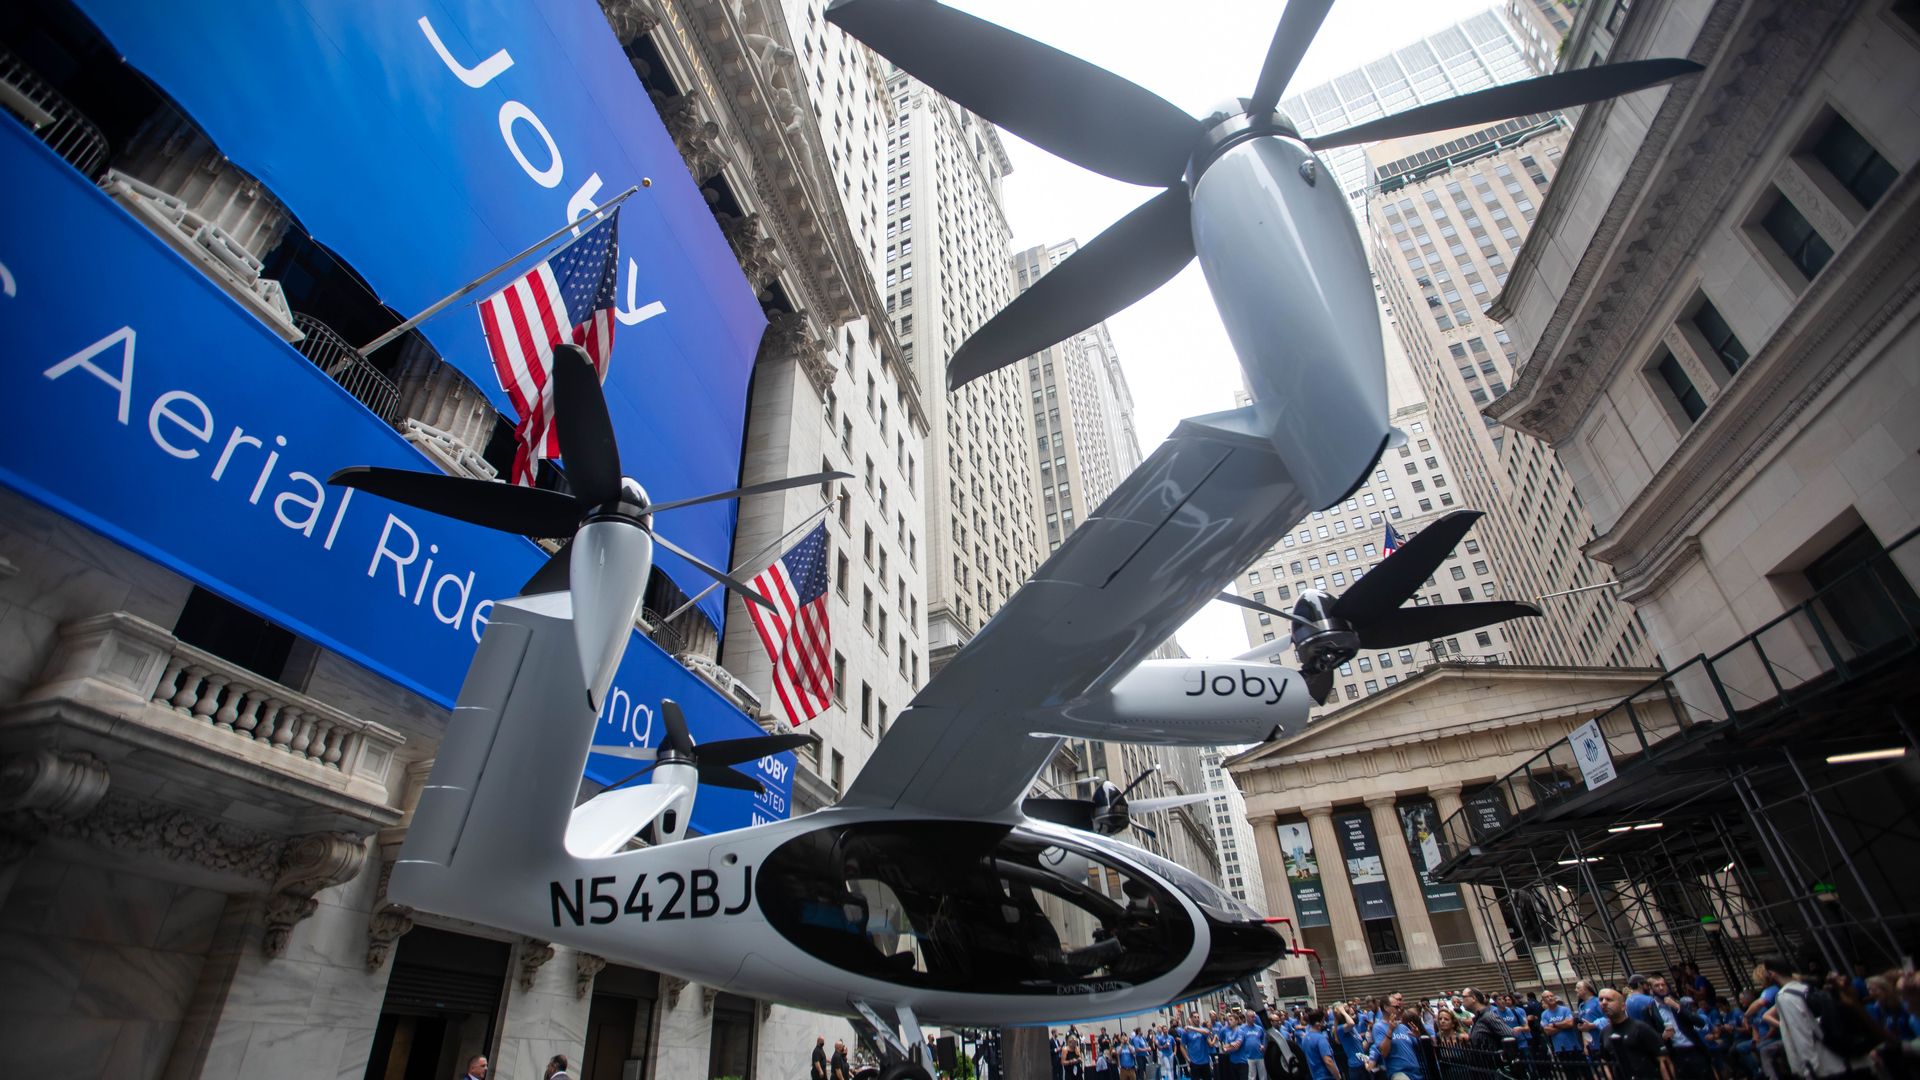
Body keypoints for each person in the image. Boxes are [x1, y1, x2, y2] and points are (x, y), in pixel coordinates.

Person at [1766, 955, 1877, 1080]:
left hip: (1828, 1068)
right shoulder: (1809, 988)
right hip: (1856, 1060)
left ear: (1771, 973)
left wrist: (1808, 1072)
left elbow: (1801, 1035)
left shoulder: (1785, 997)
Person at [1603, 987, 1668, 1080]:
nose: (1604, 1003)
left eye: (1609, 999)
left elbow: (1663, 1059)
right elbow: (1605, 1060)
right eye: (1601, 999)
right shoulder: (1604, 1032)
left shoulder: (1641, 1028)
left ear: (1623, 1006)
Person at [1462, 988, 1514, 1053]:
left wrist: (1501, 1055)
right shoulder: (1478, 1019)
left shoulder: (1489, 1017)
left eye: (1464, 997)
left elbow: (1509, 1035)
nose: (1462, 1000)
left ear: (1473, 998)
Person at [1541, 990, 1583, 1061]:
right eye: (1547, 997)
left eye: (1551, 996)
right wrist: (1563, 1025)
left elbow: (1570, 1024)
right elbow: (1548, 1031)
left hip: (1573, 1046)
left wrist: (1554, 1024)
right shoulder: (1544, 1014)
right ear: (1544, 1000)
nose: (1550, 998)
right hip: (1559, 1048)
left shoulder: (1565, 1010)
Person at [1299, 1010, 1340, 1080]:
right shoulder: (1320, 1038)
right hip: (1327, 1077)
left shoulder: (1305, 1038)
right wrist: (1338, 1077)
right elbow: (1328, 1061)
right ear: (1318, 1023)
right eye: (1323, 1021)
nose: (1324, 1023)